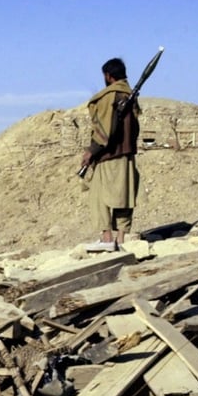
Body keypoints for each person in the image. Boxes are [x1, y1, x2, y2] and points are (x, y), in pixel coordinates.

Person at [81, 57, 141, 252]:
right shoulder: (129, 95)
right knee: (124, 195)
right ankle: (122, 238)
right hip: (127, 154)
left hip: (109, 155)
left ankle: (107, 238)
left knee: (99, 197)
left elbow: (105, 130)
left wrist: (92, 151)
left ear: (108, 75)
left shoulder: (109, 96)